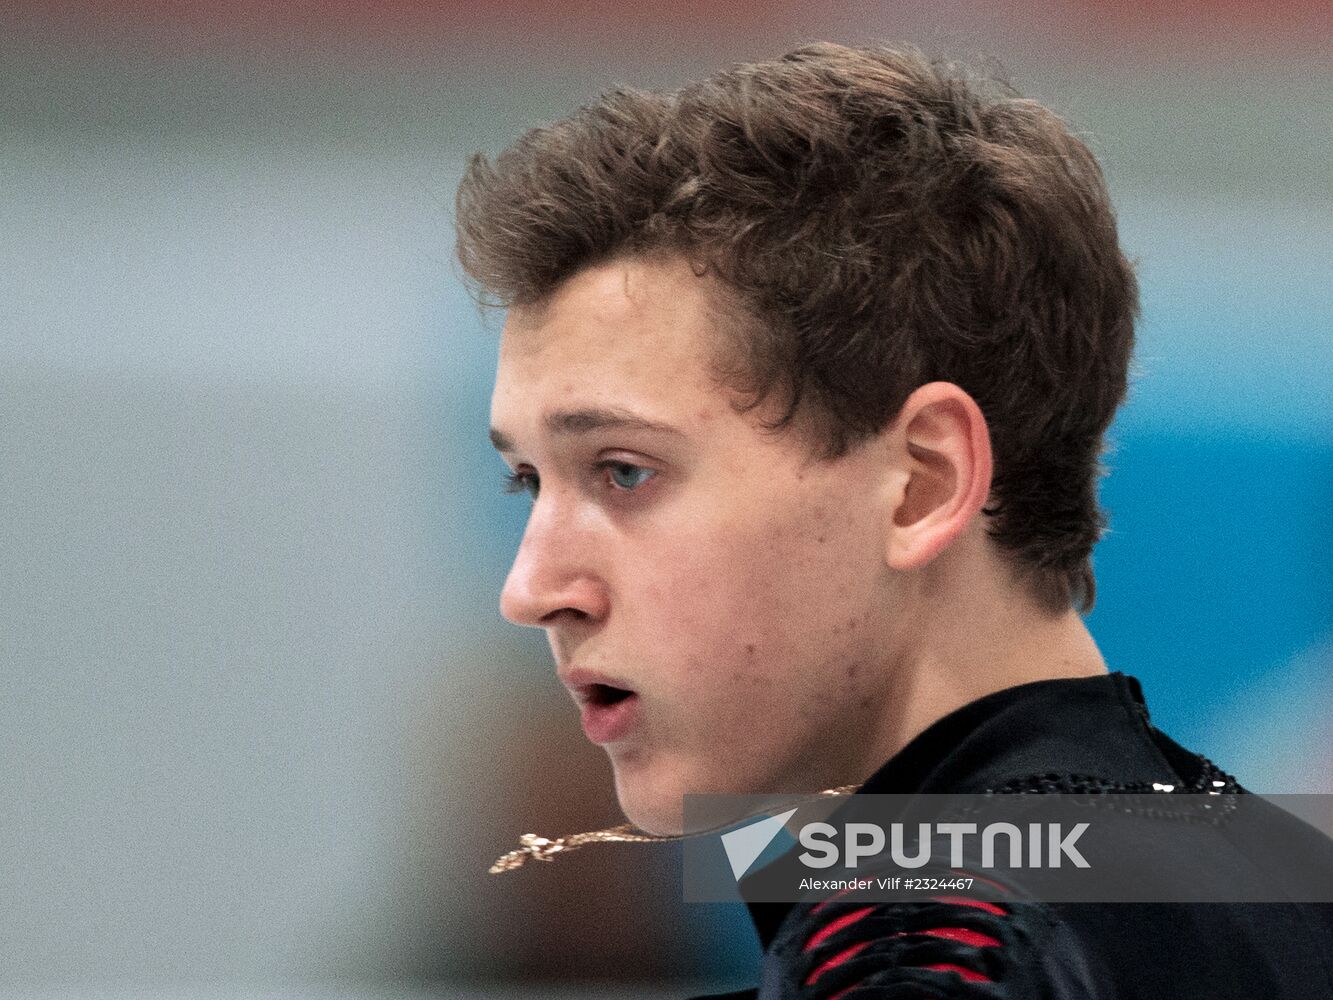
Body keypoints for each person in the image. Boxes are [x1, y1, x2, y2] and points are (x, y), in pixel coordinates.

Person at [456, 42, 1333, 999]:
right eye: (527, 483)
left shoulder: (936, 951)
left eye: (624, 472)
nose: (531, 590)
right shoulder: (1272, 880)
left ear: (921, 482)